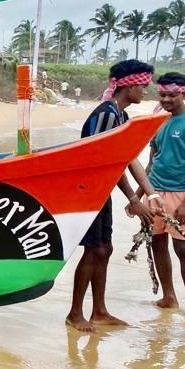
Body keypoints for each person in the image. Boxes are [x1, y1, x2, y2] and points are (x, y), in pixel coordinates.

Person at [67, 60, 163, 333]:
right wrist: (134, 200)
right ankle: (75, 313)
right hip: (87, 191)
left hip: (101, 190)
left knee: (104, 249)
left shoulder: (121, 116)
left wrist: (148, 194)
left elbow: (128, 158)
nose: (146, 91)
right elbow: (105, 161)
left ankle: (99, 310)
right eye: (144, 86)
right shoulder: (107, 114)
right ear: (129, 85)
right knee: (94, 249)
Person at [144, 72, 185, 317]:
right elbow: (151, 162)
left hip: (181, 194)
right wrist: (138, 196)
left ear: (184, 93)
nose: (167, 99)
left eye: (172, 95)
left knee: (183, 249)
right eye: (162, 94)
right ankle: (168, 296)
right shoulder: (157, 120)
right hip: (154, 193)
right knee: (157, 244)